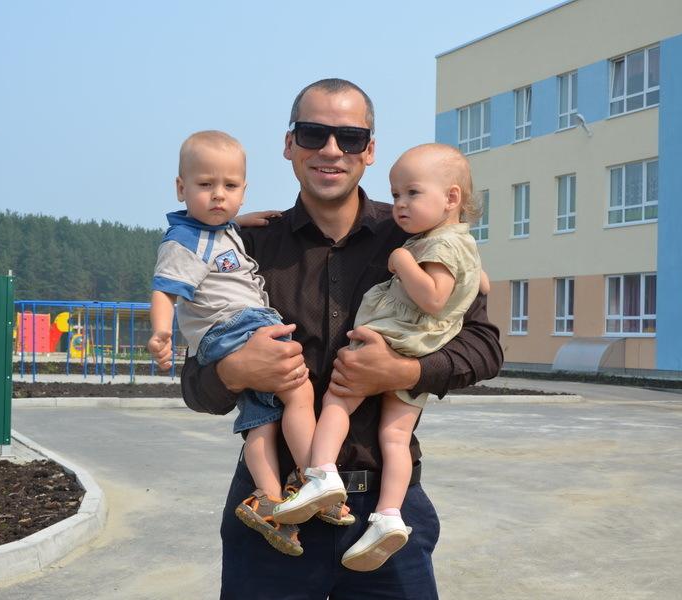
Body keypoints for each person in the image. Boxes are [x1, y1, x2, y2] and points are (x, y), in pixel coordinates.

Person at [177, 79, 503, 600]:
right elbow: (194, 383)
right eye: (313, 133)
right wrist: (234, 371)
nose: (331, 150)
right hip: (275, 512)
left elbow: (485, 346)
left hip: (384, 515)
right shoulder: (242, 248)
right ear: (289, 144)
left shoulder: (420, 238)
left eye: (349, 137)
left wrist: (406, 372)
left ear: (369, 150)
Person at [273, 143, 488, 572]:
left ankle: (321, 473)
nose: (401, 204)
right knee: (395, 437)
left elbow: (457, 321)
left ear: (451, 198)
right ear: (290, 144)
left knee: (338, 399)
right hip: (422, 344)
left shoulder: (418, 245)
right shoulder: (460, 244)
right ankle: (388, 516)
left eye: (412, 193)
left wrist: (402, 262)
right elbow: (480, 285)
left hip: (393, 339)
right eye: (396, 195)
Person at [147, 130, 318, 557]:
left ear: (243, 190)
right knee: (298, 388)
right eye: (206, 185)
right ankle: (316, 478)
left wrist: (239, 221)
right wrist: (162, 331)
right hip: (235, 327)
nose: (218, 195)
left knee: (261, 418)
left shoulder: (220, 231)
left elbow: (217, 234)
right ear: (181, 188)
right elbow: (165, 290)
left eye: (230, 186)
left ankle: (270, 499)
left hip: (232, 329)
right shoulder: (183, 241)